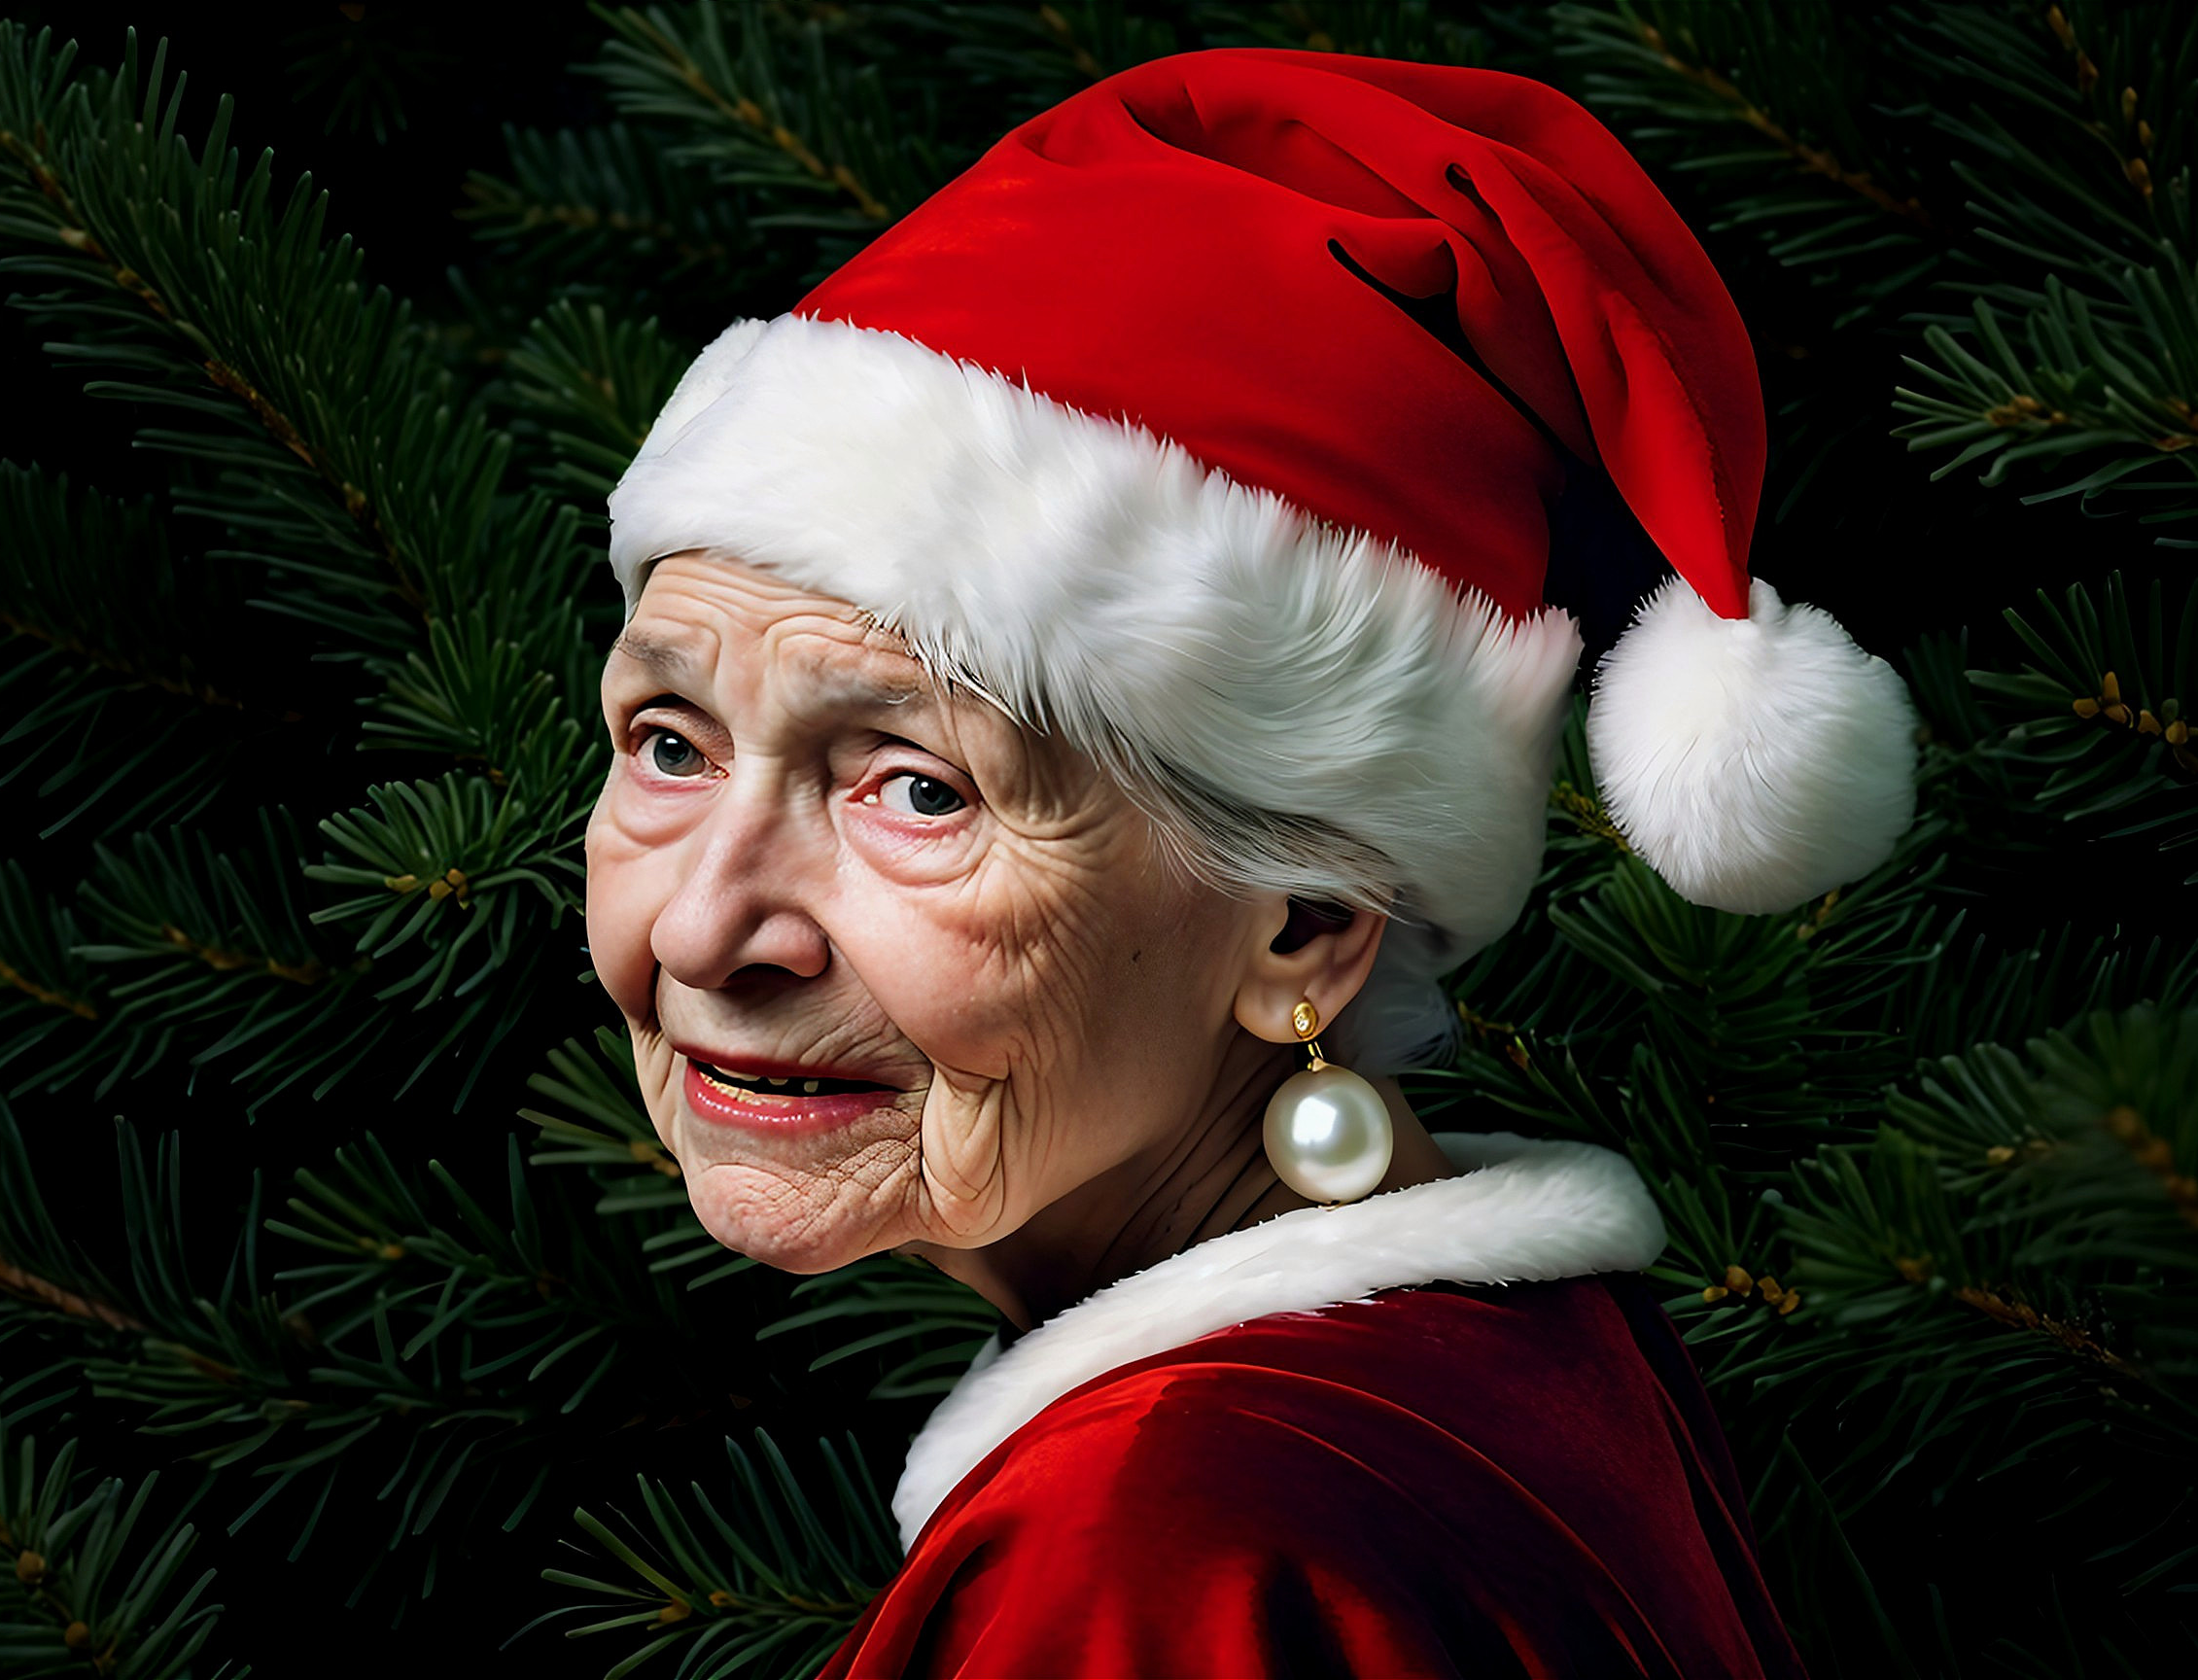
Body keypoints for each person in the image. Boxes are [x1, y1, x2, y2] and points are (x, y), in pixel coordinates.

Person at [585, 47, 1915, 1679]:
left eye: (920, 790)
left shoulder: (1162, 1552)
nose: (710, 928)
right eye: (668, 744)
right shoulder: (1509, 1371)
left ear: (1304, 920)